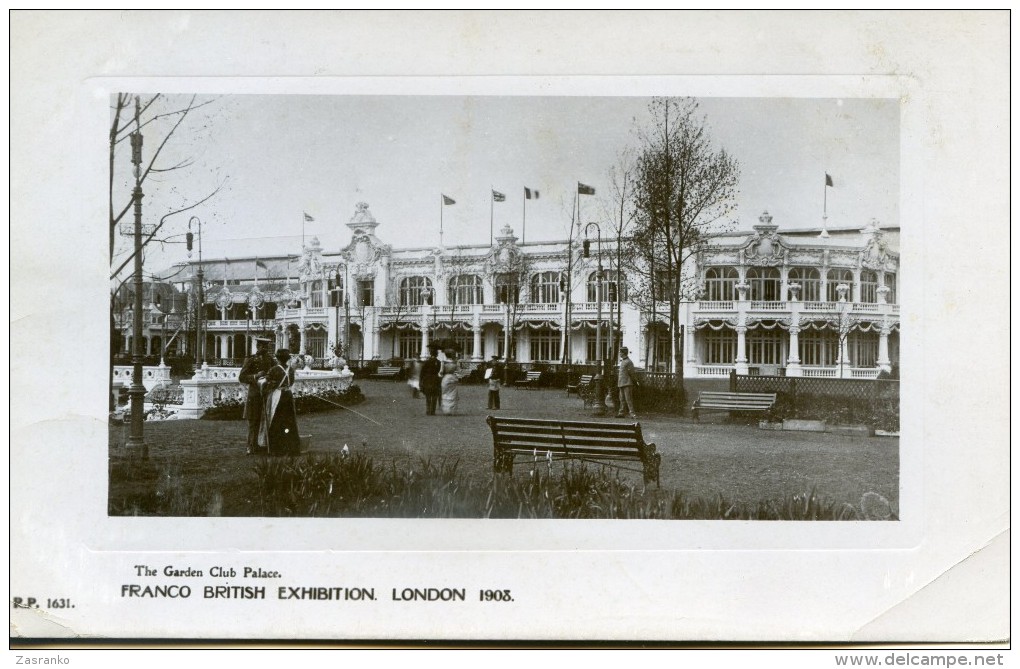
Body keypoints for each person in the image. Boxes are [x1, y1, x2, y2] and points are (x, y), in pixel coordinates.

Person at [258, 348, 302, 456]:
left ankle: (276, 448)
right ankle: (291, 447)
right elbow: (291, 383)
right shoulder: (290, 370)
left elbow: (266, 383)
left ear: (277, 358)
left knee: (276, 420)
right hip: (287, 395)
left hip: (278, 396)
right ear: (287, 359)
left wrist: (262, 383)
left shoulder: (274, 370)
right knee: (289, 421)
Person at [238, 336, 274, 455]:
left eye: (266, 347)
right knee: (253, 421)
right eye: (262, 346)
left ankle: (263, 445)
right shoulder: (251, 359)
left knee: (266, 420)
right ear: (258, 346)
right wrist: (255, 376)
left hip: (266, 394)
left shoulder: (270, 360)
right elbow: (242, 377)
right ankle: (251, 446)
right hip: (254, 394)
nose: (264, 349)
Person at [420, 345, 442, 416]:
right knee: (435, 395)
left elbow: (422, 371)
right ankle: (433, 411)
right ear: (436, 354)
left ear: (430, 354)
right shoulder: (438, 362)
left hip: (427, 379)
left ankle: (428, 410)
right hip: (435, 379)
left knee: (428, 395)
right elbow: (438, 370)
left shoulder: (427, 362)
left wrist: (421, 380)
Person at [617, 346, 638, 419]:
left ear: (624, 353)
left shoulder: (629, 362)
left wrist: (635, 381)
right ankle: (621, 413)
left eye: (620, 352)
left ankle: (632, 414)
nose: (619, 353)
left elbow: (632, 373)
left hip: (627, 383)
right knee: (622, 399)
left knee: (628, 399)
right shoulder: (623, 361)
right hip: (622, 383)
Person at [440, 349, 460, 416]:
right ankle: (452, 410)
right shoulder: (455, 362)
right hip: (453, 378)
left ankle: (446, 410)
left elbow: (441, 372)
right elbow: (458, 371)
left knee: (445, 393)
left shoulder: (444, 362)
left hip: (446, 378)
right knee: (453, 394)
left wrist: (440, 375)